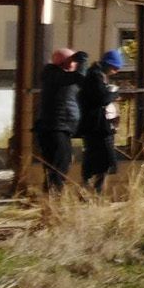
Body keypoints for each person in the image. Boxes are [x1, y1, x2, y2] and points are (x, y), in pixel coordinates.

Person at [34, 47, 85, 194]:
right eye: (72, 61)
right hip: (54, 128)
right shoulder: (53, 74)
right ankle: (54, 198)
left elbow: (81, 81)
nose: (74, 64)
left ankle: (51, 198)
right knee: (59, 166)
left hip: (61, 127)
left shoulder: (60, 76)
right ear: (66, 62)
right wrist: (82, 64)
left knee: (59, 164)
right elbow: (77, 78)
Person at [78, 49, 123, 193]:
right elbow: (101, 99)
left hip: (96, 125)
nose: (115, 72)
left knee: (97, 159)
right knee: (103, 160)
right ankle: (94, 190)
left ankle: (92, 189)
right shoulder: (95, 77)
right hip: (96, 126)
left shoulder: (96, 75)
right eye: (115, 68)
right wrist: (114, 93)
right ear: (108, 65)